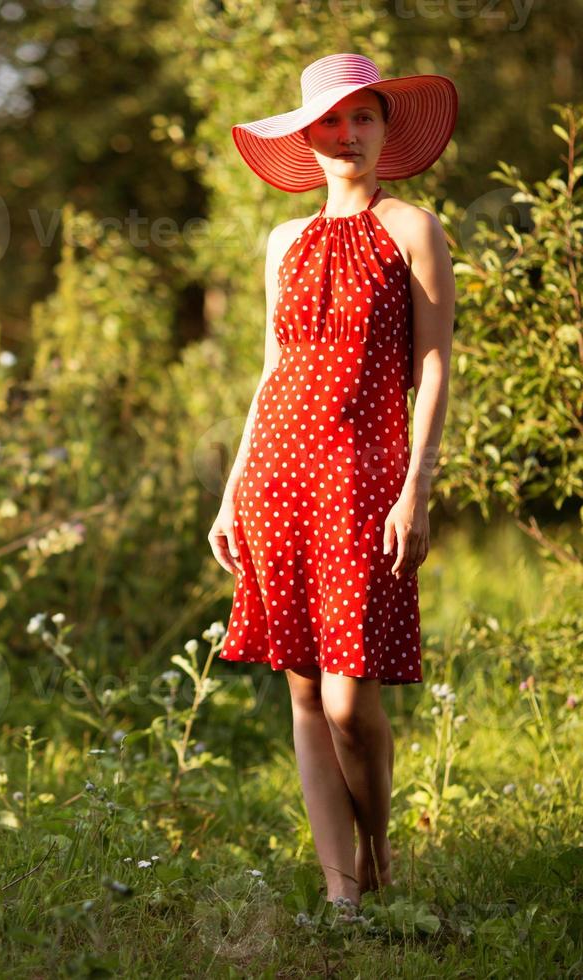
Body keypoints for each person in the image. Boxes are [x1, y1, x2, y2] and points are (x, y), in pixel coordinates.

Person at [208, 52, 458, 917]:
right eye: (331, 122)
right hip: (280, 476)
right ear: (307, 138)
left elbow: (432, 368)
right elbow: (271, 371)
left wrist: (416, 490)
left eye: (364, 118)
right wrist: (231, 487)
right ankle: (342, 892)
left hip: (365, 481)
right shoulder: (282, 242)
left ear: (388, 132)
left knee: (353, 704)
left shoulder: (414, 229)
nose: (347, 135)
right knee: (306, 692)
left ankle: (382, 855)